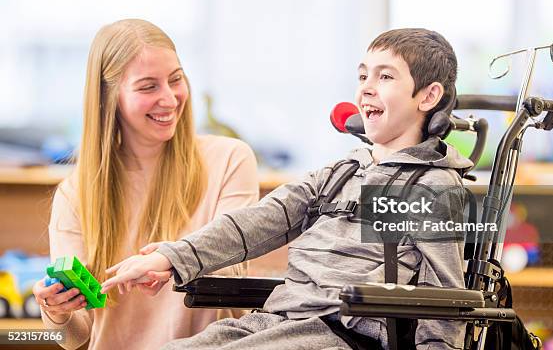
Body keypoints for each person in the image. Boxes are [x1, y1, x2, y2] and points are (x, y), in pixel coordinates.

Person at [101, 28, 473, 350]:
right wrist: (170, 257)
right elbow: (258, 221)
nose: (366, 89)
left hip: (340, 334)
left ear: (427, 96)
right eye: (362, 77)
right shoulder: (340, 172)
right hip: (276, 322)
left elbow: (443, 301)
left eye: (386, 77)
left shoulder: (431, 187)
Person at [32, 19, 259, 349]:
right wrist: (56, 311)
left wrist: (173, 265)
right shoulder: (76, 194)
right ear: (110, 98)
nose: (169, 99)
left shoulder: (230, 160)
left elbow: (232, 279)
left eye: (176, 79)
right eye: (148, 87)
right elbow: (73, 339)